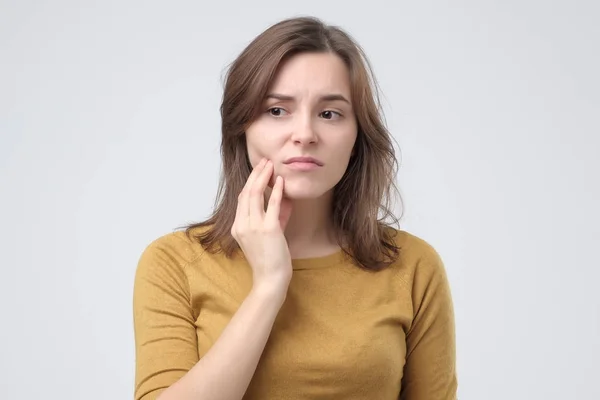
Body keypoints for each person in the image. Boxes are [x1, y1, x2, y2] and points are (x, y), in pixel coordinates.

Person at [133, 16, 457, 400]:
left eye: (329, 113)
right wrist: (269, 286)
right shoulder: (174, 263)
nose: (304, 134)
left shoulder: (413, 266)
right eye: (276, 111)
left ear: (357, 136)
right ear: (242, 128)